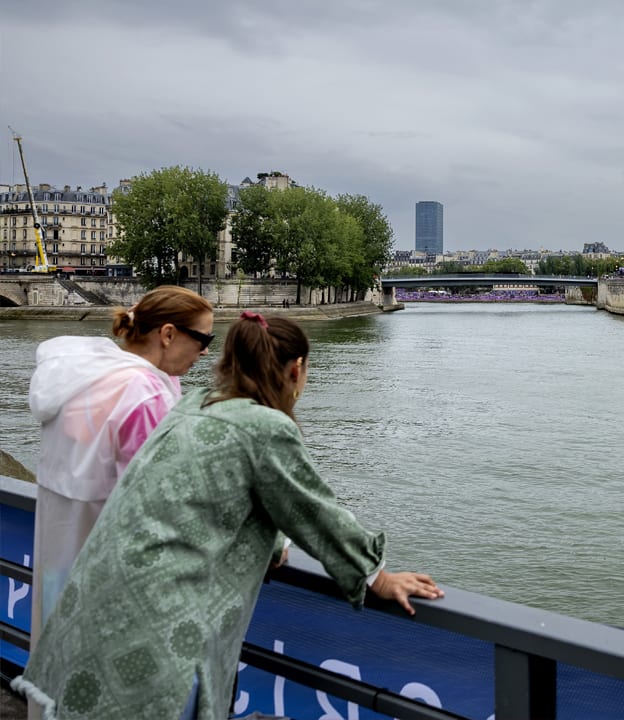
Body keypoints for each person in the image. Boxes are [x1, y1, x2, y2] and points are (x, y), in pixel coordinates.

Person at [12, 312, 442, 720]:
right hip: (159, 620)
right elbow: (312, 509)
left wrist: (273, 543)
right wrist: (376, 576)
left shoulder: (195, 404)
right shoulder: (265, 427)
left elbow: (213, 489)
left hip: (96, 603)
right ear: (296, 370)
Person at [26, 285, 214, 651]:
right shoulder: (144, 394)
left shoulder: (85, 378)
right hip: (112, 568)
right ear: (168, 334)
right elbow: (162, 496)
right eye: (204, 338)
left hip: (59, 549)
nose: (206, 351)